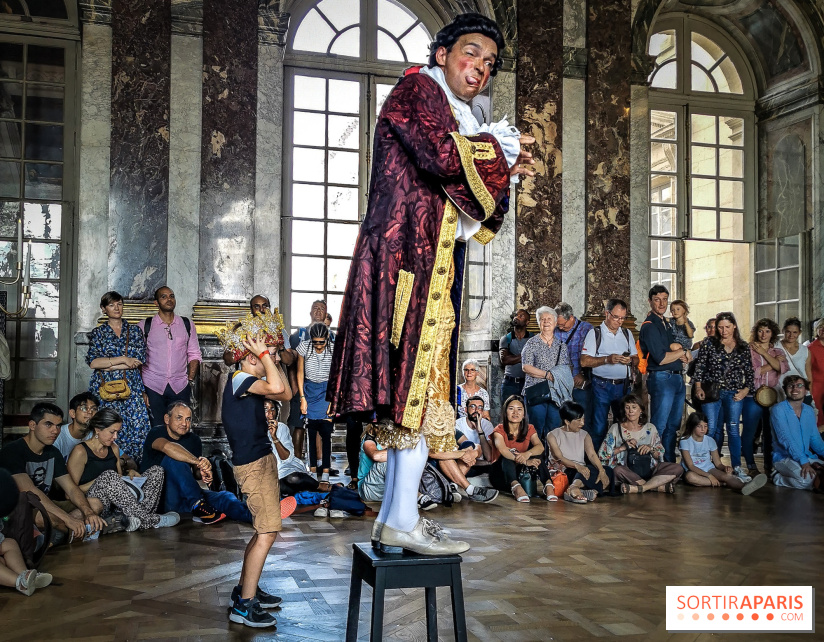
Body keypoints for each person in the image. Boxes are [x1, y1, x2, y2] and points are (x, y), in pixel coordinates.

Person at [326, 13, 533, 555]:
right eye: (472, 53)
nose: (481, 69)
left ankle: (397, 517)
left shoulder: (455, 113)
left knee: (413, 404)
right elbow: (439, 156)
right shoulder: (418, 88)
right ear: (442, 53)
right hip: (405, 266)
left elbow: (480, 211)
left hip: (429, 268)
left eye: (489, 64)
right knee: (415, 400)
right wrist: (496, 152)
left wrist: (501, 168)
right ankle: (400, 518)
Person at [218, 318, 295, 629]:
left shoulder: (248, 384)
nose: (274, 359)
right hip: (252, 465)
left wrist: (266, 357)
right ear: (251, 357)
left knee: (264, 530)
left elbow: (285, 393)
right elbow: (279, 387)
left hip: (261, 461)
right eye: (269, 354)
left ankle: (245, 590)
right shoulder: (239, 379)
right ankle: (244, 606)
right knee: (267, 532)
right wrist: (265, 355)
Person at [0, 403, 106, 543]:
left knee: (95, 504)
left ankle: (64, 533)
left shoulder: (52, 452)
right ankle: (80, 532)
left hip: (48, 504)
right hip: (22, 508)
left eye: (58, 426)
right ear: (32, 425)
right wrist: (68, 519)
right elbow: (30, 491)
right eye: (48, 425)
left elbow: (71, 488)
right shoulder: (12, 451)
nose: (55, 431)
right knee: (44, 518)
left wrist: (88, 512)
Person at [67, 408, 177, 531]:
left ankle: (132, 521)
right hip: (97, 502)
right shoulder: (80, 451)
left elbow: (119, 483)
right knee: (108, 475)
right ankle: (150, 520)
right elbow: (69, 493)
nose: (115, 437)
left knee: (157, 471)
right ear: (98, 429)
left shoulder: (113, 448)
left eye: (117, 432)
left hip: (121, 506)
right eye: (112, 432)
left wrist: (129, 473)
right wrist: (100, 480)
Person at [141, 401, 245, 525]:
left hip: (186, 495)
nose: (184, 424)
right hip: (162, 499)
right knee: (173, 459)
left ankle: (256, 517)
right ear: (167, 419)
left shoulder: (193, 440)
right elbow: (167, 447)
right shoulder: (156, 432)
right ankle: (197, 505)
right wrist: (197, 461)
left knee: (225, 497)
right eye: (179, 418)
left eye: (188, 419)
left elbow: (195, 473)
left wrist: (204, 469)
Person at [86, 291, 152, 462]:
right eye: (111, 305)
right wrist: (123, 360)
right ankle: (111, 466)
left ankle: (134, 469)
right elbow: (93, 363)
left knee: (137, 429)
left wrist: (108, 364)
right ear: (104, 309)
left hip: (132, 386)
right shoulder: (98, 332)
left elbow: (138, 361)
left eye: (119, 304)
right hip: (104, 388)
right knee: (107, 426)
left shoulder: (135, 331)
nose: (116, 308)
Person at [693, 312, 754, 481]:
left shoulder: (742, 346)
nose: (724, 330)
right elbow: (700, 367)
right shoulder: (709, 343)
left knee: (733, 429)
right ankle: (708, 465)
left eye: (727, 327)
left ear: (734, 326)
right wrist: (698, 386)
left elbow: (749, 372)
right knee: (711, 429)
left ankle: (736, 467)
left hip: (734, 392)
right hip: (712, 392)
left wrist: (745, 390)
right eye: (720, 327)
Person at [138, 286, 202, 428]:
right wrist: (141, 390)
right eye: (164, 296)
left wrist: (190, 379)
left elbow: (194, 353)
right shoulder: (145, 326)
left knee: (180, 428)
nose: (169, 299)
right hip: (152, 385)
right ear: (156, 302)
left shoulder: (186, 324)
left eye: (171, 296)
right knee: (156, 428)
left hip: (180, 386)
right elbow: (137, 360)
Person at [640, 285, 691, 462]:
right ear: (650, 301)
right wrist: (683, 351)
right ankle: (652, 464)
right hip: (662, 377)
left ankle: (669, 464)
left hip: (676, 377)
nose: (661, 303)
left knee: (673, 426)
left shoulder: (666, 323)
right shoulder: (649, 326)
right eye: (657, 299)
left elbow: (674, 348)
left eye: (664, 299)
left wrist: (682, 353)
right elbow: (660, 358)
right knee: (659, 426)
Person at [579, 298, 638, 451]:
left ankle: (620, 459)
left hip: (623, 387)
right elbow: (584, 361)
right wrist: (607, 359)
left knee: (623, 426)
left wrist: (630, 359)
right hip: (601, 386)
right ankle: (599, 462)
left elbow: (636, 358)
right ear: (607, 314)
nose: (620, 321)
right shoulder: (595, 333)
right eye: (616, 317)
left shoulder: (627, 333)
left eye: (623, 318)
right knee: (599, 427)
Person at [597, 393, 682, 493]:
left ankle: (642, 487)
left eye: (634, 407)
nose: (631, 411)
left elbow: (659, 454)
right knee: (617, 470)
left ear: (641, 410)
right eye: (627, 408)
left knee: (677, 468)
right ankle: (655, 486)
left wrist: (651, 448)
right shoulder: (616, 428)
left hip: (649, 470)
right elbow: (602, 455)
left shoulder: (650, 428)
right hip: (627, 471)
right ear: (624, 410)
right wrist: (622, 448)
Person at [741, 319, 788, 477]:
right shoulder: (748, 350)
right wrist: (772, 363)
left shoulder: (778, 351)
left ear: (772, 333)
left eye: (767, 331)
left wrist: (764, 355)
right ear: (756, 332)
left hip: (772, 396)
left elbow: (783, 368)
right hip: (752, 396)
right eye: (761, 330)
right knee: (749, 432)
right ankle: (751, 465)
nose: (764, 334)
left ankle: (770, 466)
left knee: (770, 433)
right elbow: (750, 372)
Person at [679, 412, 767, 494]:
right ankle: (722, 484)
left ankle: (744, 487)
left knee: (726, 476)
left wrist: (725, 468)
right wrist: (709, 476)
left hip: (709, 469)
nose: (703, 429)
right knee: (690, 477)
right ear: (692, 427)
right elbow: (690, 466)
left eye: (705, 426)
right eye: (699, 426)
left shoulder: (710, 440)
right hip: (694, 471)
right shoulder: (685, 441)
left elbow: (718, 463)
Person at [546, 401, 615, 503]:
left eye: (583, 418)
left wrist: (601, 470)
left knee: (608, 470)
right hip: (564, 471)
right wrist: (578, 466)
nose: (582, 423)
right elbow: (560, 457)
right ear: (567, 421)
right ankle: (583, 489)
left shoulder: (584, 434)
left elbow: (591, 455)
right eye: (578, 420)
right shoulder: (552, 435)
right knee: (584, 472)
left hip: (582, 471)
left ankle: (574, 489)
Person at [521, 306, 573, 440]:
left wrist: (553, 375)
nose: (546, 322)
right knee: (535, 429)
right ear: (538, 323)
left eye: (549, 319)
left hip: (556, 393)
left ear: (555, 323)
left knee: (554, 429)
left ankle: (551, 459)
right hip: (536, 391)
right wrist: (547, 375)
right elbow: (526, 367)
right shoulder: (531, 343)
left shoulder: (561, 345)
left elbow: (563, 369)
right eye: (542, 319)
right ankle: (535, 458)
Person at [771, 376, 824, 490]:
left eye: (799, 385)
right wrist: (803, 462)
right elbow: (785, 438)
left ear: (806, 390)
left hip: (806, 456)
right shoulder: (778, 409)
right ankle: (777, 477)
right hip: (784, 458)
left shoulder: (809, 410)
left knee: (815, 477)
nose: (795, 389)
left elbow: (815, 439)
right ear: (785, 390)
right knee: (806, 480)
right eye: (790, 386)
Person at [297, 322, 335, 482]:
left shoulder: (334, 349)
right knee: (311, 433)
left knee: (326, 433)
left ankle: (325, 474)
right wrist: (302, 398)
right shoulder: (304, 347)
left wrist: (334, 400)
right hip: (310, 391)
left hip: (327, 391)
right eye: (315, 342)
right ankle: (312, 473)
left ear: (327, 338)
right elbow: (300, 373)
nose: (318, 346)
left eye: (322, 342)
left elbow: (337, 377)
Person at [264, 399, 327, 496]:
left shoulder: (281, 428)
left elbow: (287, 459)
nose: (270, 413)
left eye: (272, 409)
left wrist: (274, 437)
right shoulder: (253, 430)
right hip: (268, 477)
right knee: (274, 487)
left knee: (293, 479)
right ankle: (299, 491)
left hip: (285, 469)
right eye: (265, 409)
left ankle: (319, 486)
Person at [489, 396, 543, 502]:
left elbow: (540, 446)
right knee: (507, 455)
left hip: (519, 473)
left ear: (523, 414)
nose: (515, 413)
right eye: (511, 408)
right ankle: (516, 487)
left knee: (537, 454)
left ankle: (548, 485)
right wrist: (526, 461)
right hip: (501, 474)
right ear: (505, 412)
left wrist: (527, 454)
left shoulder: (529, 428)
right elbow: (503, 450)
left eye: (519, 409)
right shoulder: (499, 430)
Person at [554, 302, 594, 435]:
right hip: (561, 384)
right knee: (562, 420)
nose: (560, 327)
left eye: (563, 324)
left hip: (580, 384)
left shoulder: (587, 329)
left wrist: (583, 375)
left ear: (571, 317)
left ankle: (583, 452)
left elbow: (594, 355)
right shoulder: (555, 330)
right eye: (558, 324)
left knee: (583, 418)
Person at [430, 428, 499, 503]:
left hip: (452, 469)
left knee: (469, 446)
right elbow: (431, 453)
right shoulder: (429, 430)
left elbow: (473, 446)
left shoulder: (451, 430)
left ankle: (452, 486)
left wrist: (473, 453)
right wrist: (461, 454)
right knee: (446, 457)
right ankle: (471, 490)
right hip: (434, 468)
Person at [499, 309, 532, 405]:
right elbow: (504, 360)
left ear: (527, 322)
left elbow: (536, 359)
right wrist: (525, 356)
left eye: (521, 316)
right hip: (509, 383)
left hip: (527, 382)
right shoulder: (506, 338)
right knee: (507, 411)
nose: (517, 317)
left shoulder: (532, 339)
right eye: (516, 315)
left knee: (526, 414)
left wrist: (513, 357)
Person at [54, 392, 100, 460]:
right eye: (84, 408)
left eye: (94, 409)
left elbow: (119, 454)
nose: (90, 412)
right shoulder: (57, 435)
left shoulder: (97, 433)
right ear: (73, 413)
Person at [774, 317, 812, 393]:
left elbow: (808, 374)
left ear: (799, 332)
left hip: (800, 391)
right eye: (788, 332)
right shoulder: (774, 346)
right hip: (779, 390)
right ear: (783, 331)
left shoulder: (805, 350)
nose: (791, 335)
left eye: (795, 332)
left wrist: (809, 392)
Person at [455, 395, 496, 466]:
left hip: (482, 467)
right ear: (466, 409)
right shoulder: (458, 424)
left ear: (482, 411)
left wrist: (480, 431)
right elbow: (461, 455)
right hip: (464, 463)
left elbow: (489, 457)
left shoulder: (487, 425)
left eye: (480, 407)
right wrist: (484, 463)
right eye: (473, 406)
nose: (476, 410)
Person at [358, 432, 388, 502]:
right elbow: (376, 456)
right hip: (367, 489)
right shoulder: (368, 441)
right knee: (385, 464)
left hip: (382, 489)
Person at [806, 318, 824, 427]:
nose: (823, 330)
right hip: (816, 386)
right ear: (816, 330)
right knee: (818, 415)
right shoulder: (810, 348)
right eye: (820, 327)